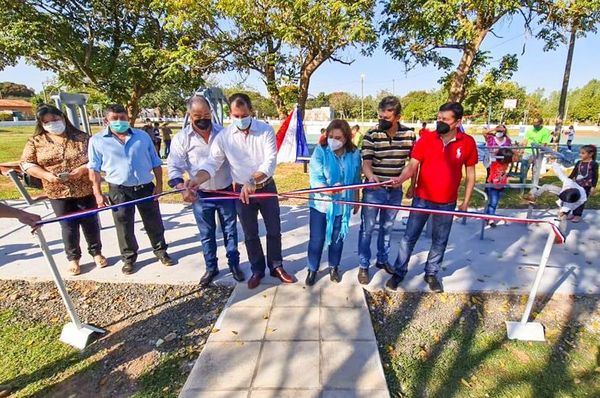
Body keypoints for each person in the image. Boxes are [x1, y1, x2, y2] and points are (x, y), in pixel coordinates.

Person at [186, 93, 294, 289]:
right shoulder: (224, 137)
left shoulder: (265, 130)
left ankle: (276, 266)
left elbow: (270, 161)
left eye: (243, 115)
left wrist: (253, 180)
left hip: (265, 187)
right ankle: (257, 270)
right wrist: (196, 180)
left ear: (250, 111)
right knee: (250, 233)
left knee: (274, 230)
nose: (240, 120)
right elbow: (212, 164)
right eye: (235, 116)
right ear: (230, 114)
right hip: (240, 192)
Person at [385, 102, 478, 292]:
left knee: (440, 240)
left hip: (447, 202)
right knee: (409, 237)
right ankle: (399, 272)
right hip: (422, 198)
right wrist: (401, 178)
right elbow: (412, 165)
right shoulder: (426, 139)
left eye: (445, 119)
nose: (440, 121)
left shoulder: (467, 143)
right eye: (439, 117)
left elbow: (470, 174)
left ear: (458, 121)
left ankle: (431, 273)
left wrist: (466, 201)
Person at [21, 104, 106, 275]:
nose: (52, 123)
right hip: (57, 192)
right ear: (41, 123)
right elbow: (27, 164)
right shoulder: (36, 141)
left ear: (63, 118)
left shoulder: (82, 137)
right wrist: (46, 175)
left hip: (84, 188)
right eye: (47, 122)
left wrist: (82, 169)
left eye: (55, 119)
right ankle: (73, 258)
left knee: (90, 222)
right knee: (68, 226)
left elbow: (96, 158)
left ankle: (96, 253)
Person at [167, 96, 243, 287]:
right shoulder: (181, 139)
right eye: (197, 115)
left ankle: (234, 264)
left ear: (212, 113)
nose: (203, 118)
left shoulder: (224, 134)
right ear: (189, 115)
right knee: (206, 233)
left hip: (225, 192)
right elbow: (174, 168)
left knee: (230, 231)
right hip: (201, 195)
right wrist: (182, 188)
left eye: (207, 114)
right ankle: (211, 268)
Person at [88, 104, 173, 274]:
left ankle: (161, 251)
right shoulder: (97, 141)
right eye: (115, 119)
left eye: (123, 118)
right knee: (123, 225)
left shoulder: (142, 137)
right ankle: (128, 258)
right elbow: (94, 169)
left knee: (154, 222)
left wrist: (159, 185)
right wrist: (97, 193)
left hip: (145, 188)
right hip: (119, 190)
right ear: (107, 121)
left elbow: (156, 162)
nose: (120, 121)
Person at [357, 96, 416, 285]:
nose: (382, 120)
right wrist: (371, 176)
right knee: (367, 229)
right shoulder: (371, 134)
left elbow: (413, 163)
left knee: (387, 228)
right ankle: (364, 265)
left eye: (386, 118)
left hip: (395, 190)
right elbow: (366, 163)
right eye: (380, 116)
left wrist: (407, 182)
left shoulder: (409, 135)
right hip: (374, 190)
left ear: (398, 117)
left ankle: (382, 260)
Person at [306, 119, 361, 286]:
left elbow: (357, 178)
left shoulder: (354, 154)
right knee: (317, 238)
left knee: (338, 238)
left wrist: (356, 199)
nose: (333, 140)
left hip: (342, 205)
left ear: (346, 138)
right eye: (330, 136)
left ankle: (334, 267)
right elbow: (315, 177)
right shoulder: (321, 151)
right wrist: (326, 189)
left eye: (338, 137)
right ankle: (312, 269)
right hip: (320, 204)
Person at [567, 145, 598, 222]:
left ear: (590, 154)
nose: (580, 155)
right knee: (574, 199)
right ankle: (573, 213)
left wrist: (593, 187)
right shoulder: (579, 162)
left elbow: (595, 176)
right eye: (580, 153)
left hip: (586, 186)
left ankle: (577, 215)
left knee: (581, 200)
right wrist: (568, 179)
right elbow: (574, 172)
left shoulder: (593, 164)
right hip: (577, 184)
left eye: (583, 153)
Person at [485, 148, 514, 227]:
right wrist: (495, 153)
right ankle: (491, 219)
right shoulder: (494, 163)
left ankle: (487, 215)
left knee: (495, 203)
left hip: (501, 185)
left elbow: (515, 157)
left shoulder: (506, 163)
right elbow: (489, 158)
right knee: (493, 203)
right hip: (493, 185)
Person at [519, 117, 551, 183]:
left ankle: (533, 185)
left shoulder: (545, 132)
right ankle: (522, 184)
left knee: (535, 169)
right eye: (534, 122)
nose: (535, 124)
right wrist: (522, 149)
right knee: (524, 168)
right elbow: (525, 140)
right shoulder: (530, 130)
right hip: (527, 152)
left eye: (537, 122)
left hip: (538, 153)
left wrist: (538, 148)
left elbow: (544, 144)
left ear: (541, 123)